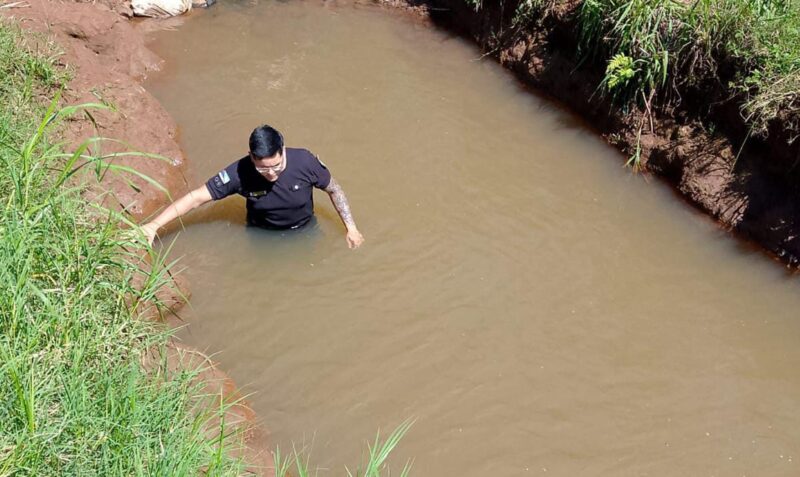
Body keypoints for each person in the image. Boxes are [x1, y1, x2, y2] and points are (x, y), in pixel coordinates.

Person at [141, 125, 364, 248]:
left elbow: (334, 189)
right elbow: (196, 198)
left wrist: (351, 228)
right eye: (263, 169)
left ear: (283, 151)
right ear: (251, 157)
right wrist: (153, 226)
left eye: (277, 166)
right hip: (262, 236)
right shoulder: (238, 173)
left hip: (305, 230)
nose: (272, 174)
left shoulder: (305, 162)